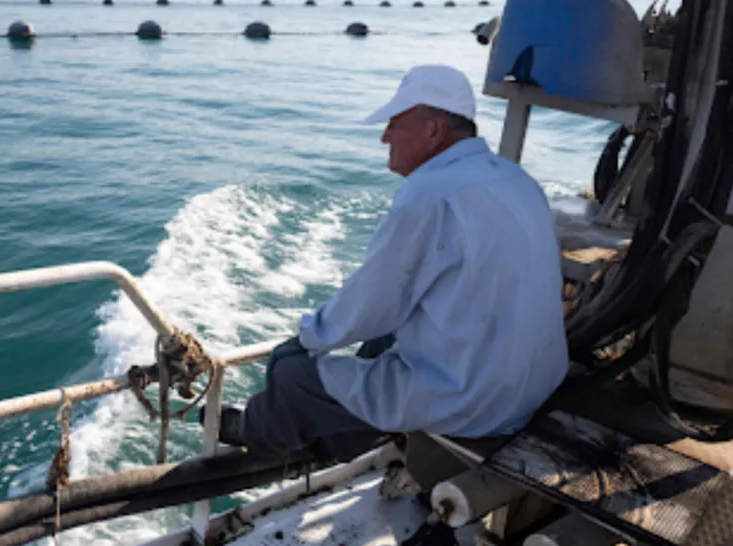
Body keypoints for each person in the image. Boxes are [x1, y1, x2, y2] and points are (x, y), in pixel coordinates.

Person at [202, 65, 569, 463]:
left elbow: (373, 302)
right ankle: (340, 438)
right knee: (379, 344)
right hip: (534, 386)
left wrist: (304, 340)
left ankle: (258, 434)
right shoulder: (516, 179)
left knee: (294, 375)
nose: (384, 137)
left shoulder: (429, 193)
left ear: (434, 129)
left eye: (395, 123)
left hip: (477, 403)